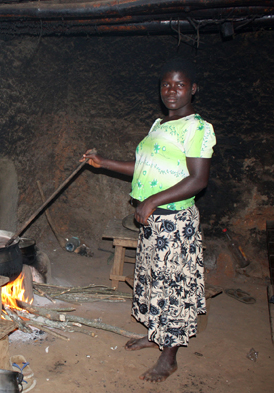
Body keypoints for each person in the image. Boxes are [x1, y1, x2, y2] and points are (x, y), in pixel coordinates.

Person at [81, 58, 216, 383]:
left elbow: (198, 180)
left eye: (179, 84)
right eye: (166, 84)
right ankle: (156, 335)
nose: (171, 90)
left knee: (172, 287)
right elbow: (143, 168)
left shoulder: (198, 127)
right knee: (152, 281)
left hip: (174, 222)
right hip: (154, 221)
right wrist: (103, 163)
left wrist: (153, 200)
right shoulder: (159, 125)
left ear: (193, 89)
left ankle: (169, 357)